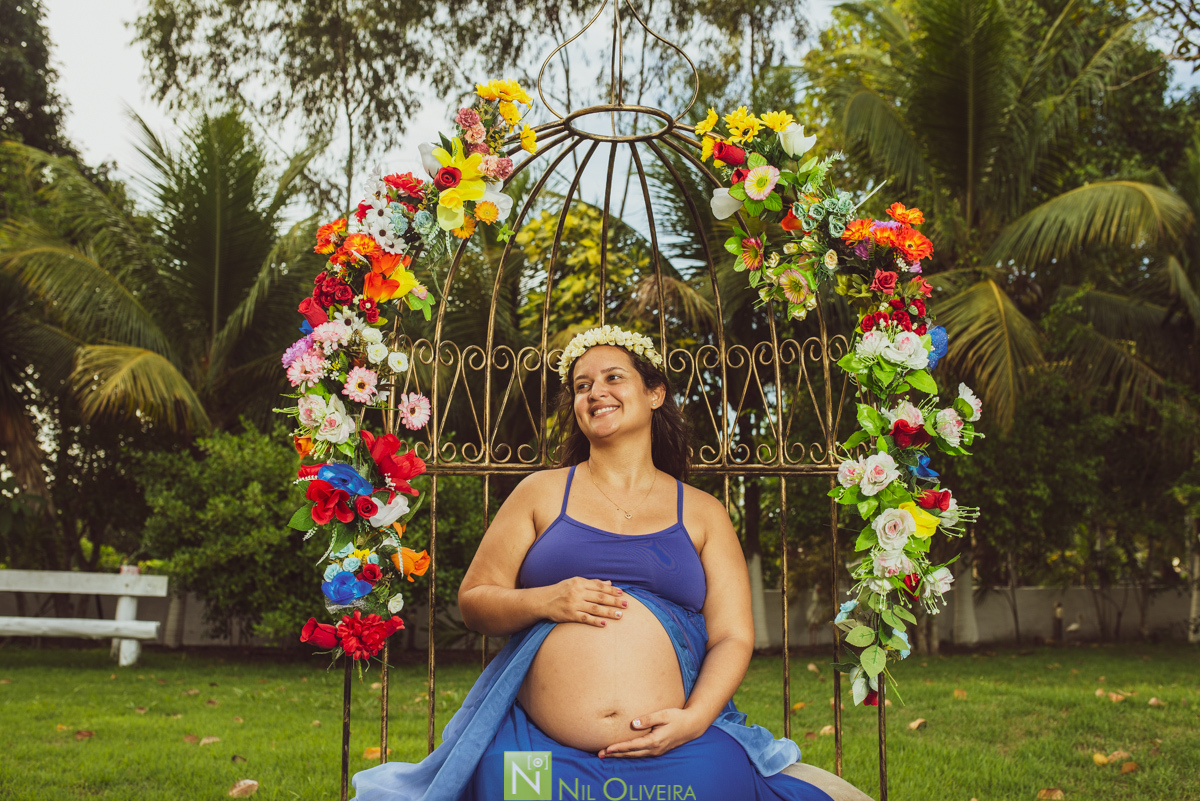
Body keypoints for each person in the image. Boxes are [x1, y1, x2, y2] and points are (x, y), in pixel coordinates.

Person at [352, 325, 840, 801]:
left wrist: (693, 720)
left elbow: (734, 635)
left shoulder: (701, 511)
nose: (594, 393)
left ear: (654, 394)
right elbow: (475, 603)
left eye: (612, 378)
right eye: (581, 386)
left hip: (672, 741)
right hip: (538, 743)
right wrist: (547, 599)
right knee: (507, 785)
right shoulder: (540, 493)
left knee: (720, 782)